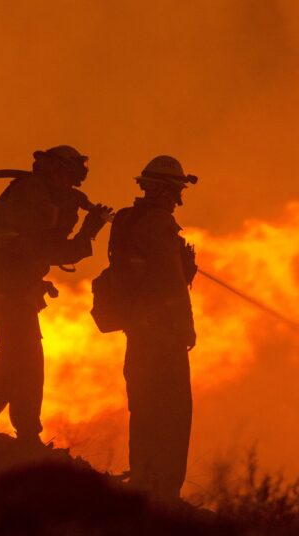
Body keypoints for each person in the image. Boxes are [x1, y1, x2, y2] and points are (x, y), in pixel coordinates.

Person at [0, 145, 111, 446]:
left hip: (17, 287)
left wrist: (74, 213)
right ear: (57, 170)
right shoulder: (32, 194)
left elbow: (46, 244)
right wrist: (88, 231)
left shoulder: (45, 195)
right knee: (23, 358)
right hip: (6, 286)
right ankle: (17, 430)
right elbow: (45, 247)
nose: (71, 185)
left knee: (19, 357)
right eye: (68, 178)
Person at [107, 155, 198, 500]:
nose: (177, 200)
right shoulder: (159, 224)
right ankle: (166, 489)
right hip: (163, 333)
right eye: (175, 193)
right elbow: (169, 283)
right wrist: (186, 326)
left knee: (143, 406)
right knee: (173, 410)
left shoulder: (126, 221)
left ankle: (144, 477)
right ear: (162, 191)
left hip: (137, 331)